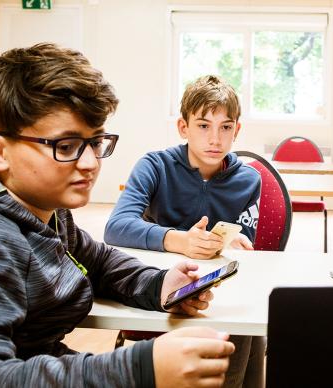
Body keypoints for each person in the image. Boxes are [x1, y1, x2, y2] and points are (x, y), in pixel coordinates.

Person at [0, 43, 235, 387]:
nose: (90, 163)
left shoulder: (45, 205)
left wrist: (158, 284)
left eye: (96, 141)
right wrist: (140, 369)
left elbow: (96, 260)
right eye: (65, 146)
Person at [104, 74, 263, 388]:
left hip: (218, 286)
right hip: (161, 280)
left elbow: (247, 245)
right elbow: (116, 227)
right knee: (238, 333)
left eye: (226, 127)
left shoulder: (248, 180)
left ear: (237, 130)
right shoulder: (154, 166)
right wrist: (181, 240)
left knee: (244, 322)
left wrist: (236, 243)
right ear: (183, 127)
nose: (215, 139)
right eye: (203, 125)